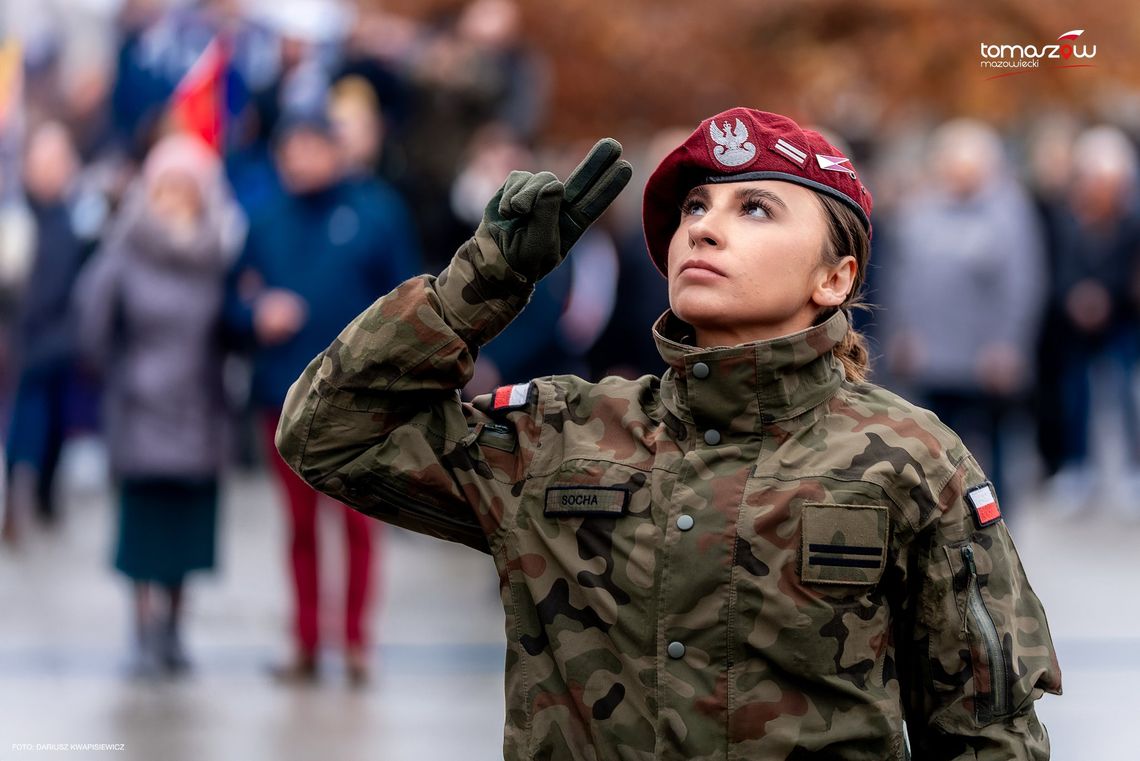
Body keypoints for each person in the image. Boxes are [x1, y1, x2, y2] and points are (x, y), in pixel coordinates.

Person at [275, 108, 1061, 758]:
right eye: (694, 208)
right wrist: (480, 283)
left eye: (754, 207)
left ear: (836, 276)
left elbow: (987, 733)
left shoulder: (911, 458)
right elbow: (326, 433)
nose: (705, 229)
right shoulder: (561, 432)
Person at [222, 111, 421, 685]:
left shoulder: (375, 212)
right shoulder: (262, 218)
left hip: (361, 398)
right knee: (300, 526)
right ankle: (306, 642)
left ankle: (357, 642)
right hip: (284, 399)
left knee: (359, 523)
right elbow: (229, 301)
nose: (302, 158)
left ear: (336, 151)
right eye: (292, 147)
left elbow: (412, 297)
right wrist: (255, 315)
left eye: (314, 146)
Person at [73, 133, 237, 676]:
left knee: (187, 531)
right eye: (167, 185)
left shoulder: (218, 251)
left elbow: (231, 325)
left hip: (198, 408)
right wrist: (119, 373)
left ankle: (174, 630)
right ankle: (142, 629)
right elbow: (92, 322)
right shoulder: (127, 247)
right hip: (141, 407)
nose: (176, 198)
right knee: (142, 531)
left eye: (187, 187)